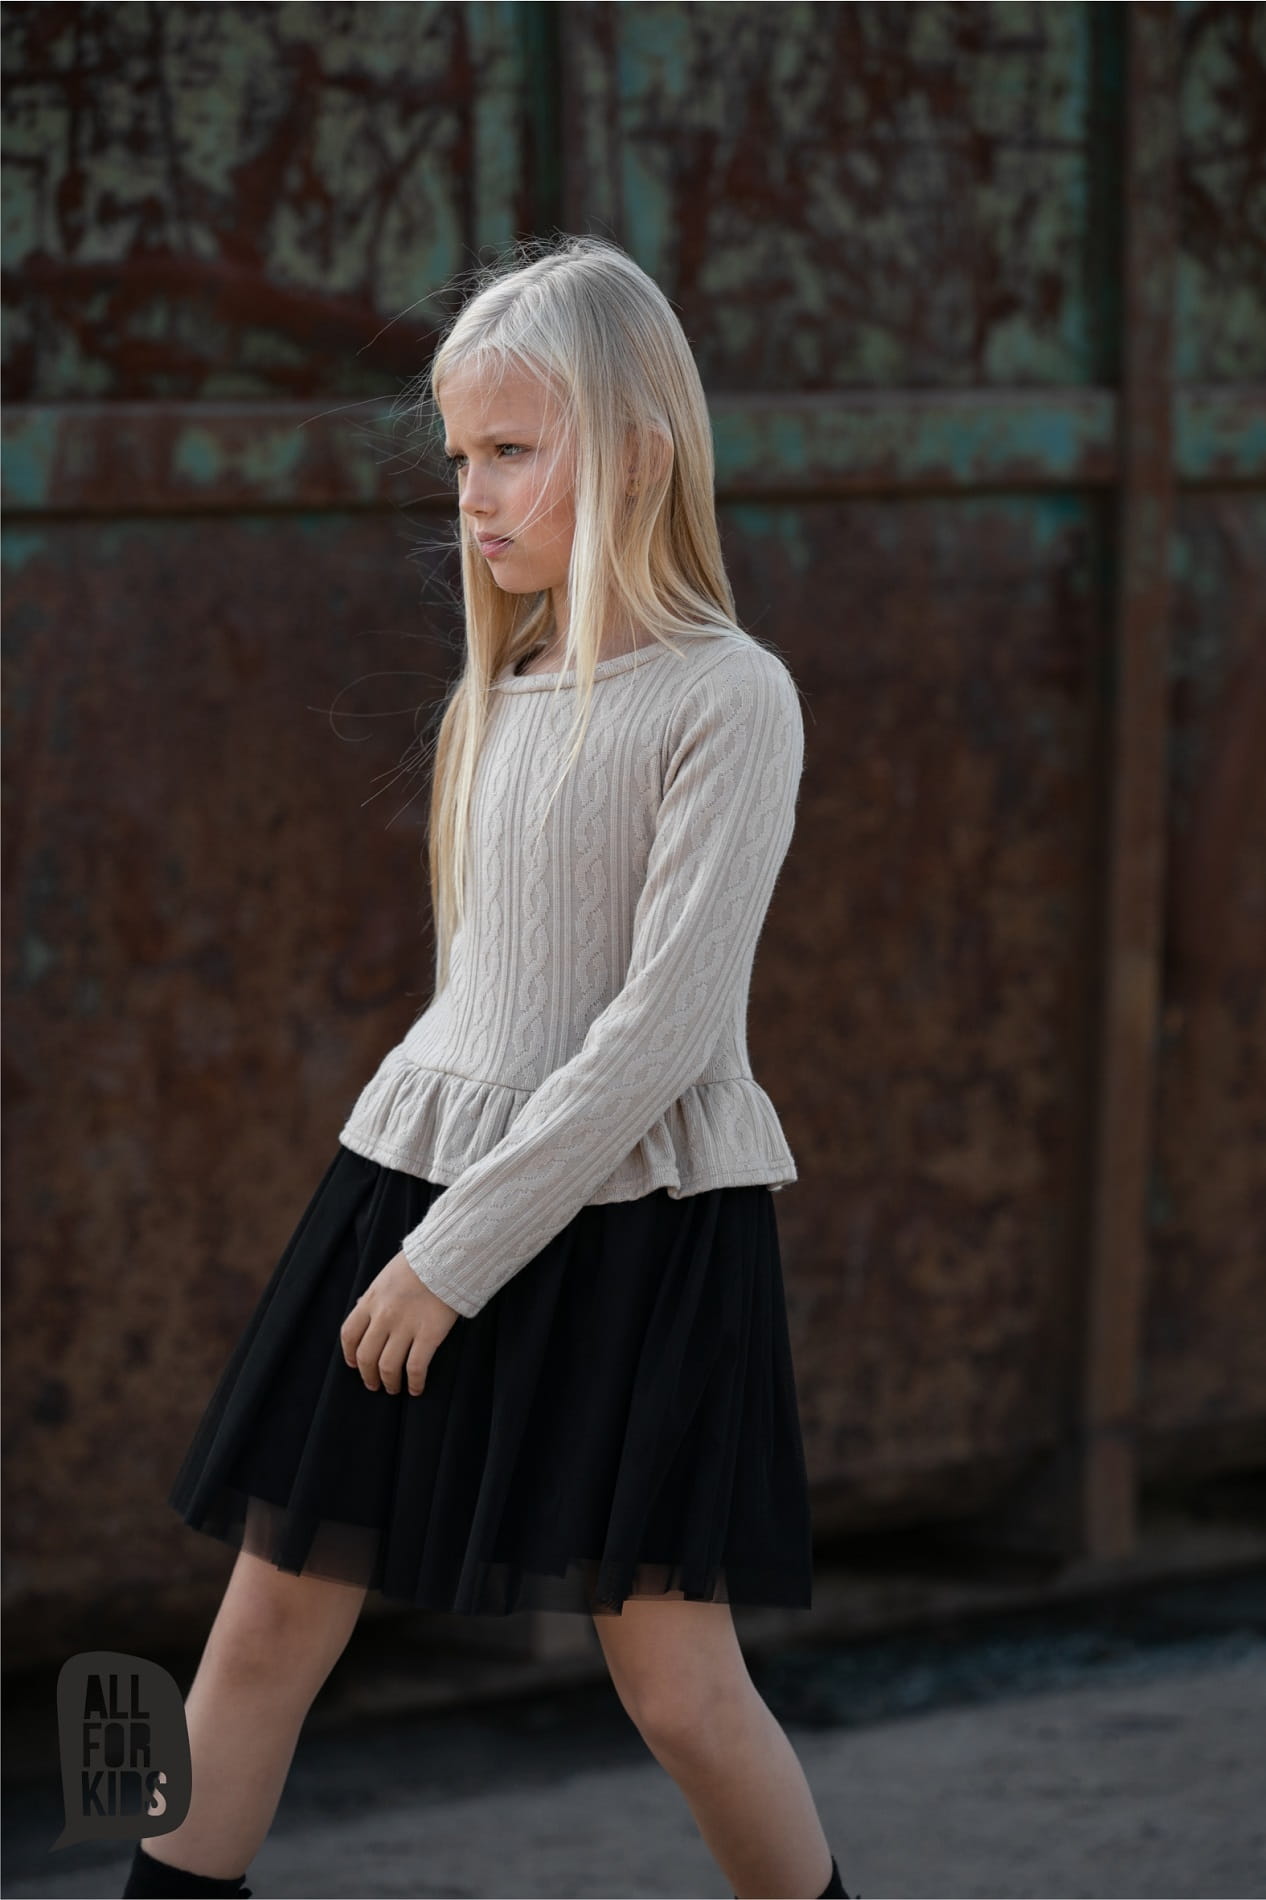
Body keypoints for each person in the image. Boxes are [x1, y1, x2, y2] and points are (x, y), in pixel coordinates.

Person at [123, 234, 854, 1900]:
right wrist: (412, 1230)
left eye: (511, 450)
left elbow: (657, 1030)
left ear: (640, 455)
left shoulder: (730, 698)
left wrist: (449, 1260)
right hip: (410, 1191)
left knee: (679, 1694)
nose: (471, 496)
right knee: (259, 1634)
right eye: (460, 457)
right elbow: (484, 1003)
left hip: (632, 1227)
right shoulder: (500, 691)